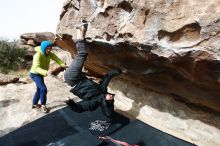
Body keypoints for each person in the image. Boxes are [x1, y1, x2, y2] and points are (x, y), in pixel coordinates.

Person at [63, 21, 122, 117]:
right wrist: (120, 71)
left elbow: (79, 109)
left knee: (82, 54)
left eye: (110, 98)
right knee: (82, 54)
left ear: (106, 102)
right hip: (79, 77)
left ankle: (80, 29)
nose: (111, 96)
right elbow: (107, 77)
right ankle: (81, 30)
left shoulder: (93, 103)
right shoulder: (103, 90)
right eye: (112, 96)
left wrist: (69, 102)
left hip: (72, 78)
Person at [30, 41, 68, 113]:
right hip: (35, 74)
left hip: (41, 74)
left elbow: (57, 59)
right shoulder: (38, 55)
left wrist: (63, 64)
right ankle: (43, 105)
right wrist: (46, 72)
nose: (49, 50)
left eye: (50, 48)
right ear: (43, 48)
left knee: (39, 89)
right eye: (47, 48)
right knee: (43, 89)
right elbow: (36, 68)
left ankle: (34, 104)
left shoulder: (49, 54)